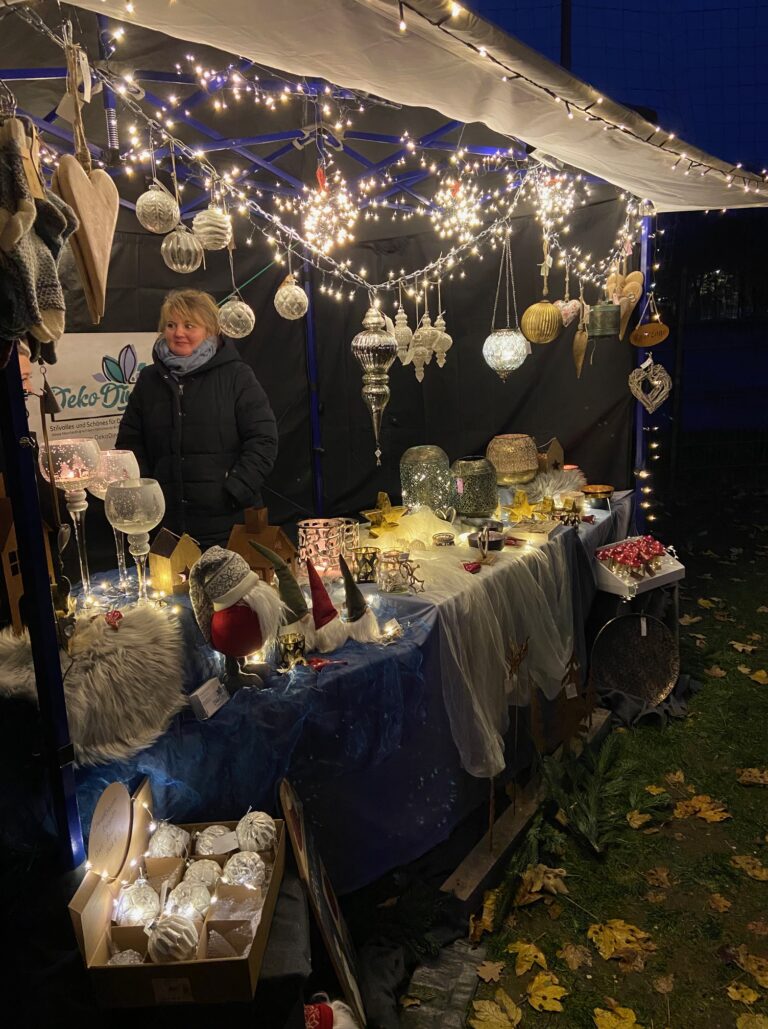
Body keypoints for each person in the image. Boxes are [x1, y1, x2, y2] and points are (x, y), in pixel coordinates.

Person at [116, 289, 277, 548]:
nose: (178, 332)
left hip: (228, 524)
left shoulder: (237, 376)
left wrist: (235, 490)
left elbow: (263, 439)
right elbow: (130, 443)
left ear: (210, 330)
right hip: (167, 525)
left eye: (189, 325)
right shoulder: (149, 380)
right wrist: (146, 494)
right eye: (171, 325)